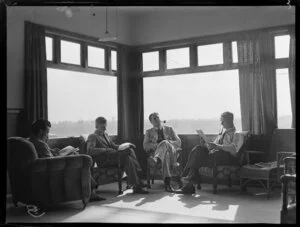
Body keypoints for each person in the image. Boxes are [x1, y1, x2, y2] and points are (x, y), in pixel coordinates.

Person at [29, 119, 105, 202]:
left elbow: (46, 156)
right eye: (47, 132)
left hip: (51, 167)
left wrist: (53, 151)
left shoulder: (32, 141)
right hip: (56, 171)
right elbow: (50, 161)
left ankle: (92, 190)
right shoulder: (41, 144)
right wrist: (63, 155)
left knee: (74, 154)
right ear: (40, 132)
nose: (47, 136)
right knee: (79, 160)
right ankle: (92, 192)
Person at [175, 111, 244, 194]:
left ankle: (186, 180)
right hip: (215, 156)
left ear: (230, 120)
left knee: (199, 155)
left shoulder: (237, 134)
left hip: (229, 158)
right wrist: (206, 143)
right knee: (198, 149)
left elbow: (233, 149)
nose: (221, 123)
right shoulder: (221, 134)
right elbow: (212, 147)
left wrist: (218, 146)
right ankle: (188, 180)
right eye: (221, 121)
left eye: (223, 121)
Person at [86, 116, 148, 194]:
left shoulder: (105, 135)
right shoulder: (93, 136)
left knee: (129, 153)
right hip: (104, 160)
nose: (105, 129)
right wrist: (105, 150)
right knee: (128, 154)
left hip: (113, 157)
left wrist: (125, 145)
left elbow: (113, 146)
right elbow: (90, 150)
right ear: (96, 126)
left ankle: (136, 185)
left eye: (105, 126)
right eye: (103, 127)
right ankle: (137, 177)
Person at [143, 112, 182, 192]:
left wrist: (166, 142)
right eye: (154, 118)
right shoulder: (149, 132)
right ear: (151, 122)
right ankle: (167, 184)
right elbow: (145, 146)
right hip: (165, 155)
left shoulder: (169, 129)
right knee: (165, 156)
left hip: (172, 153)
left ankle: (156, 160)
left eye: (158, 117)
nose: (157, 119)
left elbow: (178, 142)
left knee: (165, 143)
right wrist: (159, 145)